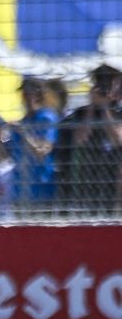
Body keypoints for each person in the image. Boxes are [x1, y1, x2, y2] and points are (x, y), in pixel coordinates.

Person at [63, 65, 122, 215]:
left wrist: (104, 108)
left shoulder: (118, 111)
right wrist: (91, 107)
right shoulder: (82, 112)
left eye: (109, 82)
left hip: (113, 181)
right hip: (88, 180)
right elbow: (80, 139)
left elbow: (117, 139)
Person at [0, 76, 62, 212]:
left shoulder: (47, 117)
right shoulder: (23, 121)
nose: (25, 97)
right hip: (19, 190)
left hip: (41, 188)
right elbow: (5, 156)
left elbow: (42, 152)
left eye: (29, 93)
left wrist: (23, 133)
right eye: (24, 93)